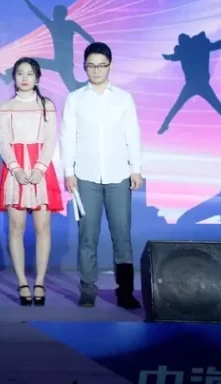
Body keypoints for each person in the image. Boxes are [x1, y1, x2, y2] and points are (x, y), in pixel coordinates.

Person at [61, 42, 143, 309]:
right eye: (91, 66)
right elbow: (67, 139)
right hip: (85, 177)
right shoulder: (75, 99)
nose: (96, 70)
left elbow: (133, 135)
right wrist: (69, 172)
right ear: (84, 67)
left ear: (110, 66)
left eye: (101, 65)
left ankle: (125, 291)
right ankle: (87, 289)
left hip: (119, 175)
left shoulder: (123, 98)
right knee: (87, 235)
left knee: (122, 235)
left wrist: (136, 168)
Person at [0, 58, 63, 306]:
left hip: (40, 170)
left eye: (30, 73)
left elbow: (51, 139)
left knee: (43, 227)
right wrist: (15, 168)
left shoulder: (47, 105)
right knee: (16, 227)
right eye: (20, 73)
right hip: (15, 170)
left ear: (37, 77)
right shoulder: (6, 106)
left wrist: (40, 168)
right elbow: (3, 141)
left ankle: (40, 282)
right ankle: (22, 282)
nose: (25, 78)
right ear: (13, 77)